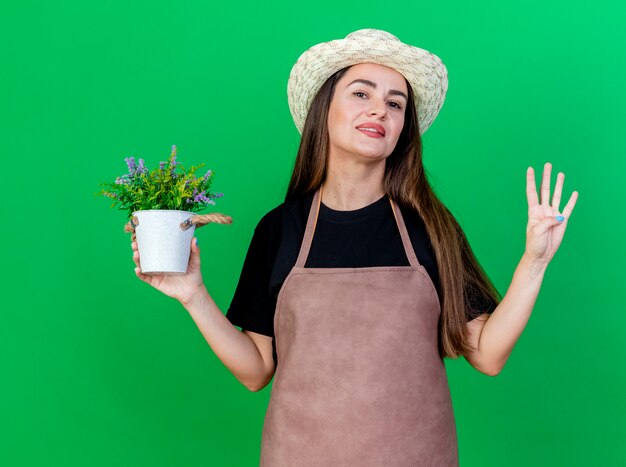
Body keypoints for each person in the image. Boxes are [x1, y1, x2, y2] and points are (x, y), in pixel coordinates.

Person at [130, 29, 578, 466]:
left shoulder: (430, 228)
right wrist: (193, 295)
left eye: (395, 103)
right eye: (361, 94)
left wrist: (533, 262)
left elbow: (488, 354)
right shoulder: (280, 229)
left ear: (404, 128)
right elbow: (256, 370)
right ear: (324, 108)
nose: (380, 110)